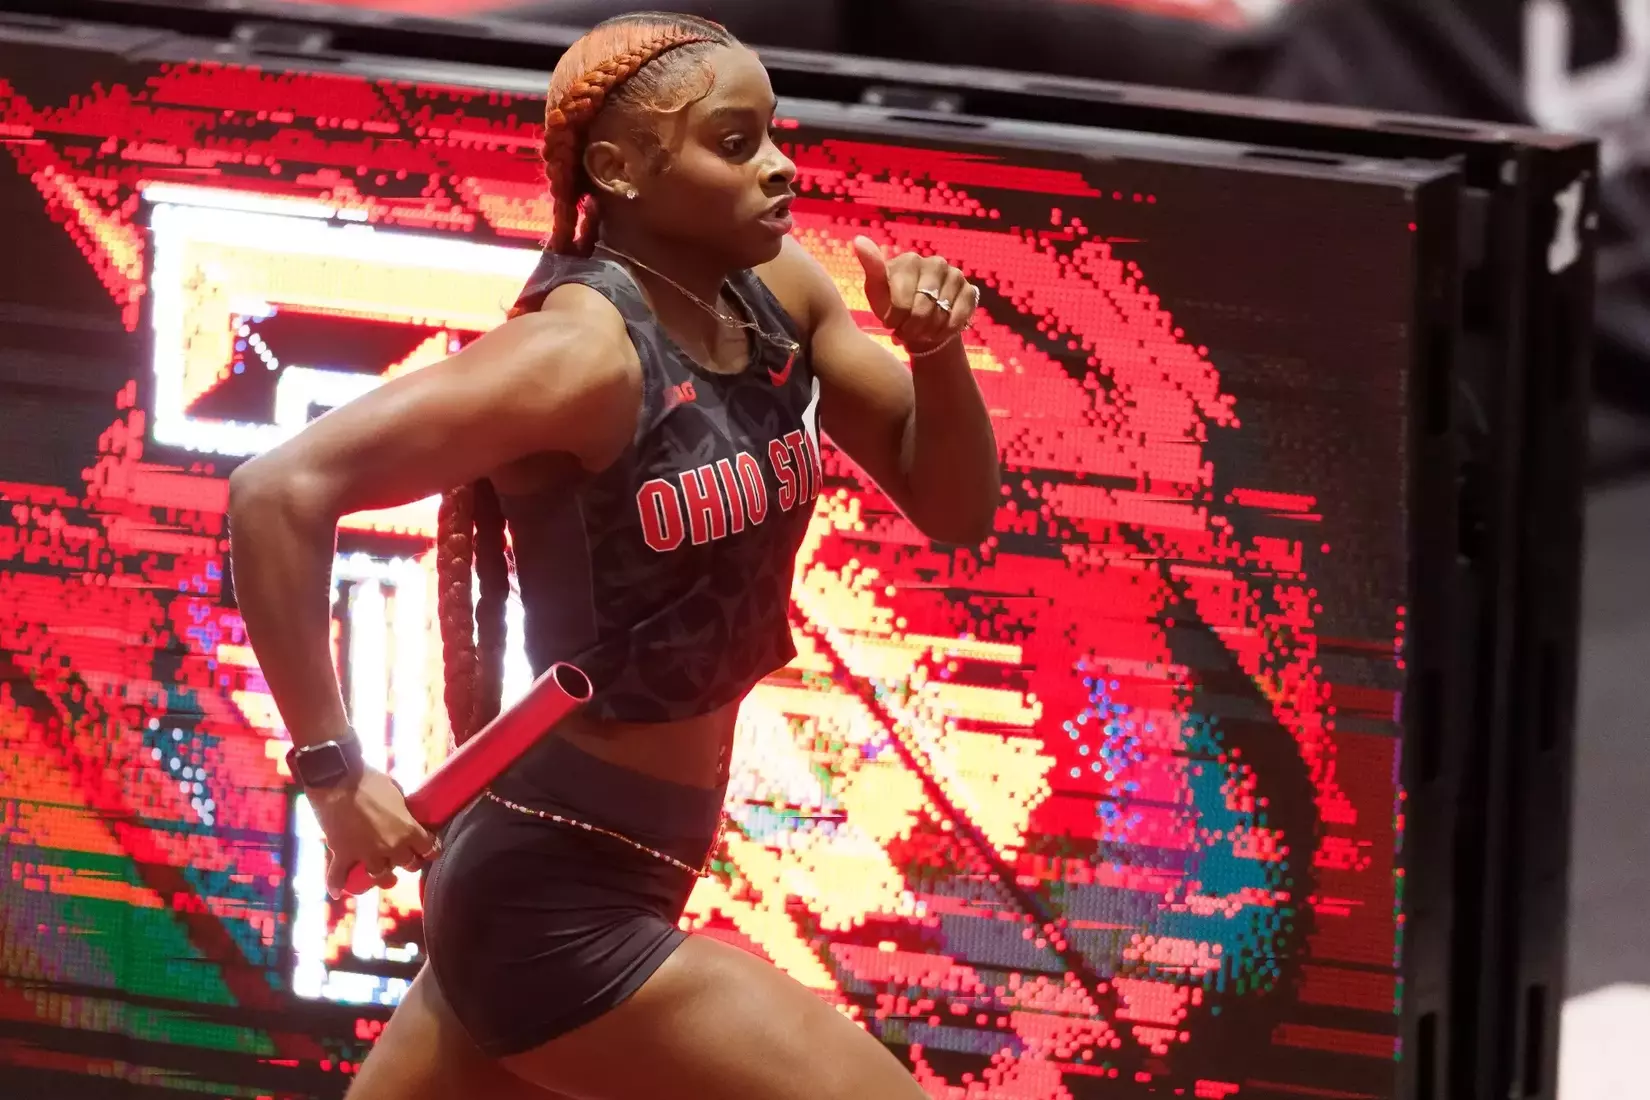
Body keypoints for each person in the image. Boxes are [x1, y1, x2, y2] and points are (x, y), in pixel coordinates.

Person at [227, 11, 1000, 1099]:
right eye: (734, 144)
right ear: (618, 168)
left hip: (616, 861)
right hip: (554, 896)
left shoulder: (780, 294)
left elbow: (955, 505)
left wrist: (939, 353)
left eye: (776, 133)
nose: (780, 166)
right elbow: (277, 491)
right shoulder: (581, 352)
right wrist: (332, 770)